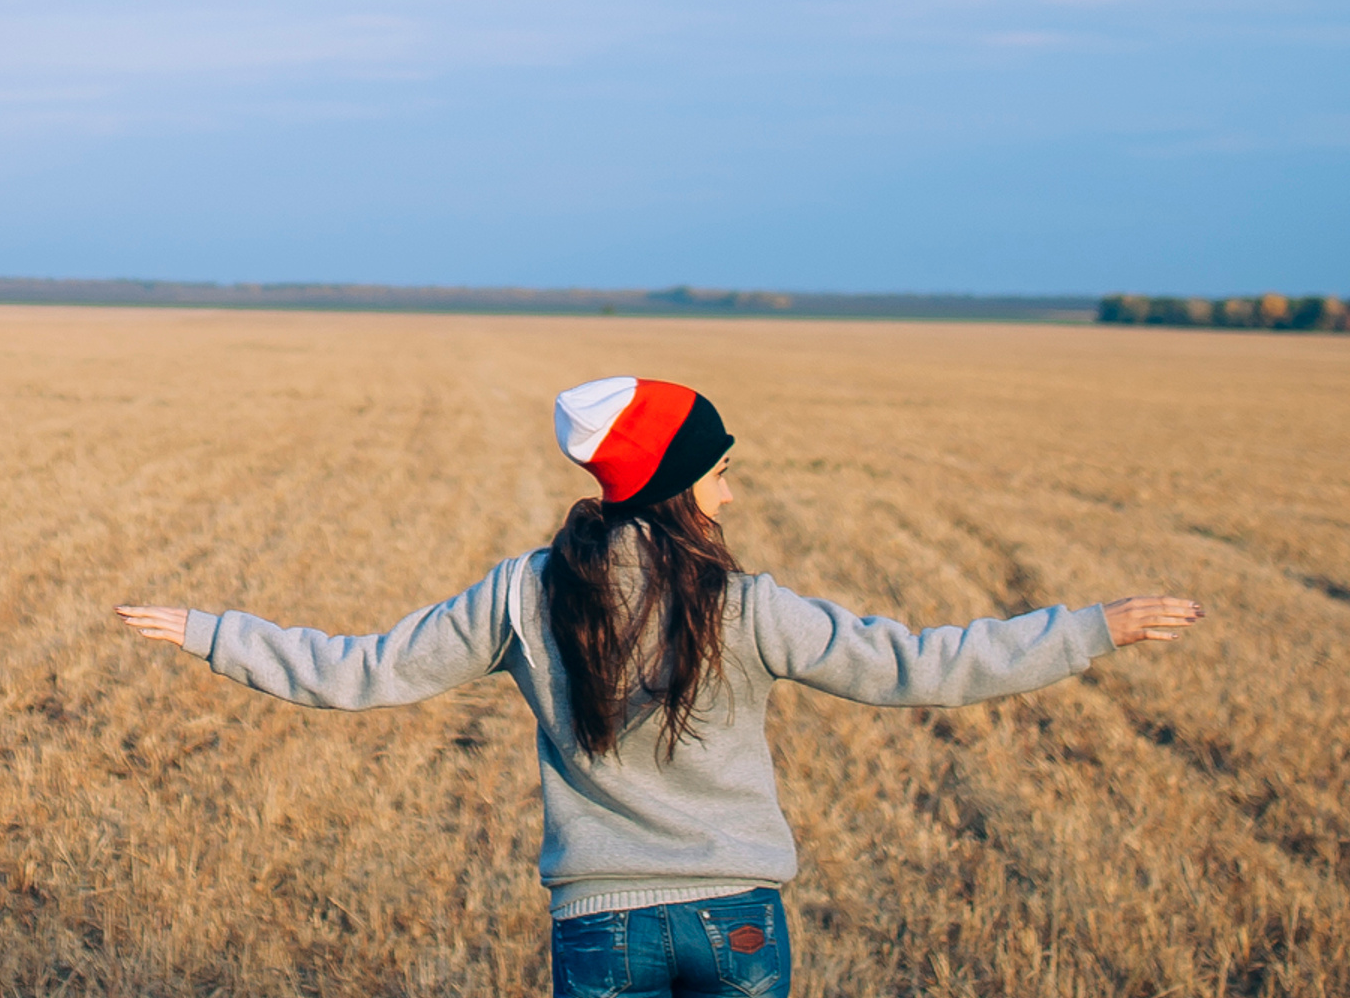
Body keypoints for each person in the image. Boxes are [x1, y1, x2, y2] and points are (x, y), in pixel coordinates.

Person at [117, 372, 1202, 997]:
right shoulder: (746, 601)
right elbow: (920, 663)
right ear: (681, 481)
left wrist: (214, 632)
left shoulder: (525, 593)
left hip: (598, 925)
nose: (735, 480)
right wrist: (1089, 629)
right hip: (735, 918)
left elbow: (360, 673)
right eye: (722, 464)